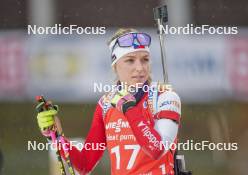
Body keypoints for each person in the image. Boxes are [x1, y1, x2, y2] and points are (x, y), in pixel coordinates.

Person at [36, 28, 182, 175]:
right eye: (130, 60)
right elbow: (85, 164)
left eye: (145, 59)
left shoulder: (165, 96)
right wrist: (55, 137)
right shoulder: (106, 104)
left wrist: (130, 109)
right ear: (115, 65)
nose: (140, 67)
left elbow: (157, 149)